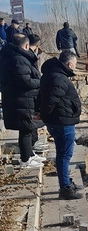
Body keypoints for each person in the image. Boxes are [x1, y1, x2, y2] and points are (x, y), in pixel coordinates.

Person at [39, 50, 83, 199]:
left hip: (59, 119)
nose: (75, 68)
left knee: (63, 154)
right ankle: (65, 188)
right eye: (75, 65)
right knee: (65, 155)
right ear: (69, 64)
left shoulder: (52, 74)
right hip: (62, 121)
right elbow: (51, 99)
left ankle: (66, 182)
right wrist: (44, 114)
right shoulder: (59, 78)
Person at [0, 34, 42, 169]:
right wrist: (40, 82)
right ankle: (25, 159)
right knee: (26, 128)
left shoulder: (12, 56)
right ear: (26, 46)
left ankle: (30, 154)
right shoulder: (19, 59)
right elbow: (24, 81)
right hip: (22, 99)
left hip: (21, 99)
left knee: (28, 128)